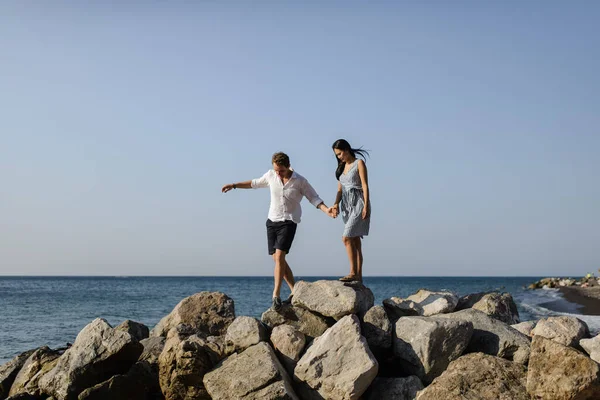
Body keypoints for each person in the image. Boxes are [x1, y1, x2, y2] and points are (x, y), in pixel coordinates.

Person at [222, 152, 335, 311]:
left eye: (281, 170)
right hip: (272, 221)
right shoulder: (270, 175)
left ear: (288, 166)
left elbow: (314, 198)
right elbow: (254, 183)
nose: (278, 173)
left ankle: (275, 294)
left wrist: (327, 210)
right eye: (276, 170)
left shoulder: (300, 181)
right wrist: (234, 185)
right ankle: (295, 290)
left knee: (280, 256)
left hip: (289, 221)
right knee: (277, 259)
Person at [330, 139, 370, 282]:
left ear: (347, 149)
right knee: (355, 241)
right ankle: (358, 277)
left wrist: (366, 205)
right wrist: (335, 204)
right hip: (346, 206)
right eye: (337, 155)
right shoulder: (341, 167)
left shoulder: (359, 163)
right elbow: (339, 190)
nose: (339, 157)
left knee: (346, 237)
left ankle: (353, 272)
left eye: (340, 153)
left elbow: (365, 185)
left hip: (358, 203)